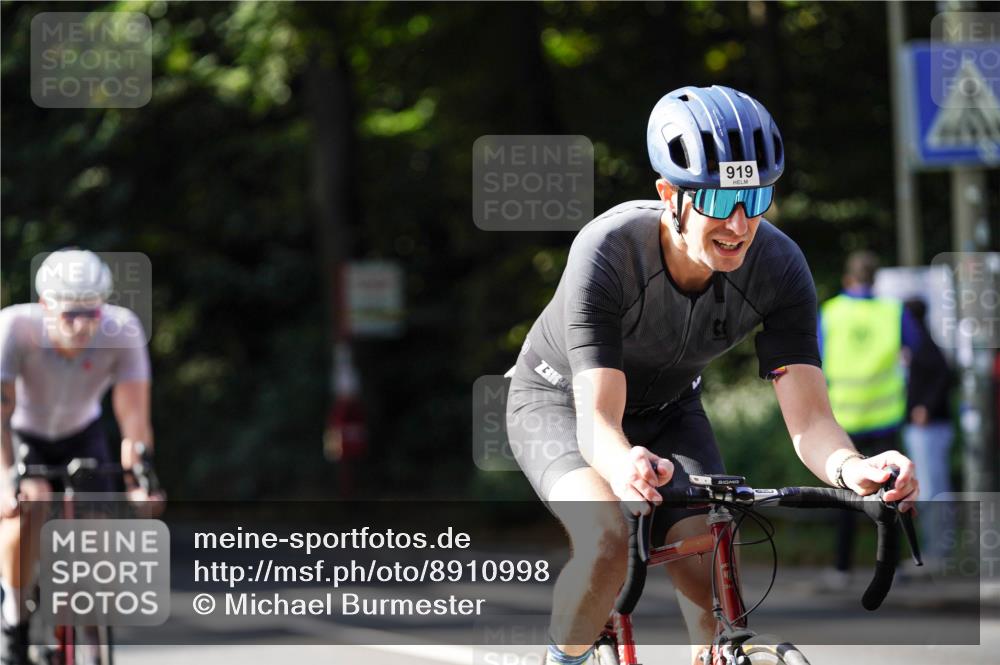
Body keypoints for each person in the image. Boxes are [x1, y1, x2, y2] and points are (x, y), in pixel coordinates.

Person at [505, 85, 919, 665]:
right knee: (608, 541)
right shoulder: (608, 250)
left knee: (711, 557)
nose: (740, 223)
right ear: (669, 196)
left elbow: (810, 421)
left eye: (755, 197)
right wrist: (623, 465)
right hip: (562, 402)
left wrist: (854, 468)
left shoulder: (779, 266)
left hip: (671, 408)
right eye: (720, 201)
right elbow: (598, 421)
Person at [0, 249, 158, 665]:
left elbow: (134, 419)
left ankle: (91, 639)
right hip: (21, 434)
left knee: (96, 537)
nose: (82, 325)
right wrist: (5, 481)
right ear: (44, 305)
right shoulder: (14, 328)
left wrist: (138, 480)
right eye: (70, 314)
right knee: (26, 511)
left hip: (82, 434)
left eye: (92, 313)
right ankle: (14, 622)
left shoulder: (122, 330)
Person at [818, 251, 921, 587]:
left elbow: (814, 358)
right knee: (893, 494)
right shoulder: (893, 311)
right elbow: (917, 348)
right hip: (884, 417)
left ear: (848, 278)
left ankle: (842, 569)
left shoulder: (830, 312)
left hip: (843, 419)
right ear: (876, 280)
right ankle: (899, 564)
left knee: (846, 497)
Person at [901, 297, 954, 565]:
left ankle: (937, 552)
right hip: (927, 426)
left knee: (930, 488)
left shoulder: (922, 344)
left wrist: (926, 407)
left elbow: (945, 375)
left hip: (929, 427)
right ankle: (936, 550)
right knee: (930, 487)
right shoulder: (921, 342)